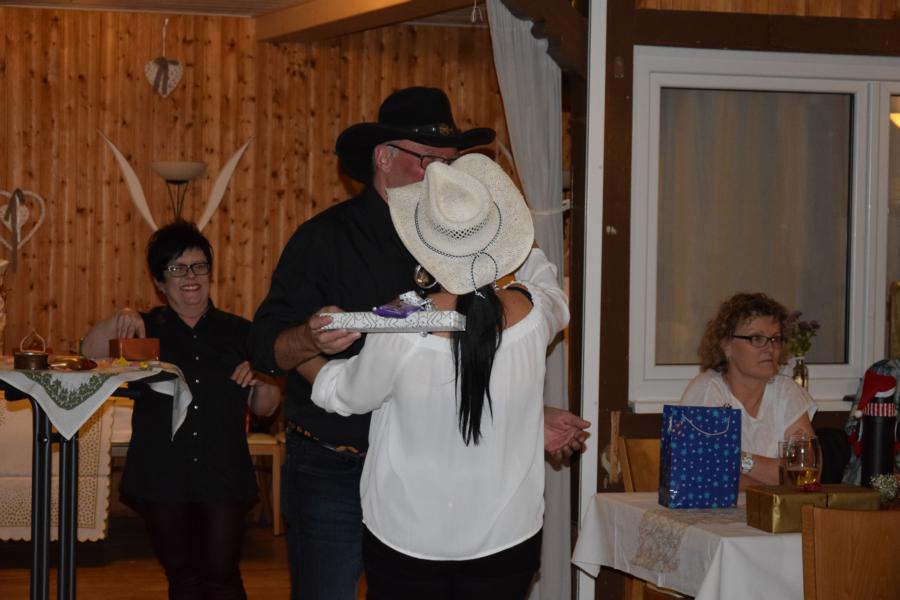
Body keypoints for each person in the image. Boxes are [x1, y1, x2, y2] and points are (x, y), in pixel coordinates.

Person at [251, 86, 589, 599]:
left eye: (451, 163)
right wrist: (308, 339)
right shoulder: (324, 239)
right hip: (335, 467)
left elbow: (474, 356)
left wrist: (521, 411)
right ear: (383, 158)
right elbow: (265, 345)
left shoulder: (471, 247)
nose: (443, 176)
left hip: (440, 495)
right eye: (429, 160)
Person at [297, 153, 567, 598]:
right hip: (508, 538)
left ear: (422, 244)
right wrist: (526, 248)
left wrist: (305, 352)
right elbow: (552, 290)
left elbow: (343, 394)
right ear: (498, 236)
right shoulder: (535, 312)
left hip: (407, 539)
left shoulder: (401, 319)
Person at [82, 220, 282, 600]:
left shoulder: (242, 332)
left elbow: (266, 408)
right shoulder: (142, 330)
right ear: (160, 282)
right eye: (177, 268)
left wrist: (262, 380)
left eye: (199, 266)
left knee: (223, 576)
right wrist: (120, 316)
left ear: (210, 273)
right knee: (183, 578)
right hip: (161, 474)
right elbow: (87, 353)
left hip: (223, 472)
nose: (191, 276)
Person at [679, 292, 816, 488]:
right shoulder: (708, 390)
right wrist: (774, 479)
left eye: (775, 339)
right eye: (756, 338)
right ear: (727, 346)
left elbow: (804, 471)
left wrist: (738, 459)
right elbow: (711, 477)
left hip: (773, 505)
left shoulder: (786, 391)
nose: (770, 348)